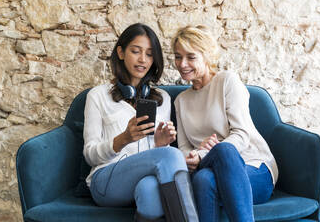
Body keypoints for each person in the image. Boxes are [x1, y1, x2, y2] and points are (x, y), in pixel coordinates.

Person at [83, 23, 198, 222]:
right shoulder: (98, 96)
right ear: (120, 52)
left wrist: (160, 144)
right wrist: (123, 139)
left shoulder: (162, 99)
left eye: (149, 54)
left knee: (149, 189)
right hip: (105, 181)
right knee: (170, 155)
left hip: (142, 180)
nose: (143, 59)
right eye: (136, 51)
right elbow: (90, 155)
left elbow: (156, 159)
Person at [172, 25, 279, 222]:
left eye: (191, 57)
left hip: (253, 167)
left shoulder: (227, 82)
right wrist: (192, 157)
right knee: (204, 177)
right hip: (207, 168)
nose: (182, 64)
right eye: (178, 56)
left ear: (206, 56)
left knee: (223, 152)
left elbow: (241, 134)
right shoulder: (181, 100)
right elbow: (184, 147)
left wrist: (203, 153)